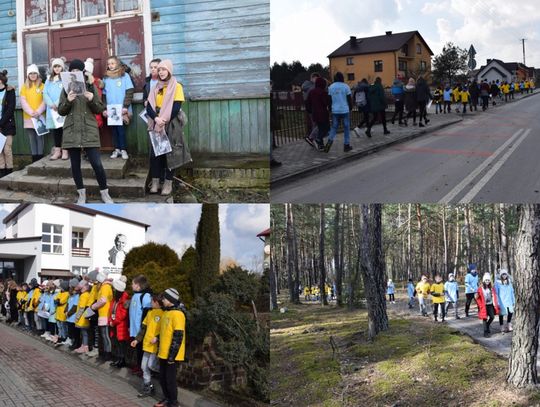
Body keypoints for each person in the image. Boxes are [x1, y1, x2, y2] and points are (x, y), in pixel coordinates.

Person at [58, 58, 113, 204]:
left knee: (97, 164)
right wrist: (68, 101)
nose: (75, 72)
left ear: (83, 72)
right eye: (73, 70)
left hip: (89, 129)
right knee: (75, 166)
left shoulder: (90, 85)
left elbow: (100, 108)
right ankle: (81, 194)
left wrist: (92, 98)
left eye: (78, 70)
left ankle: (105, 193)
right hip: (72, 130)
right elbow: (61, 111)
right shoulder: (65, 88)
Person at [146, 59, 190, 196]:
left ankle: (168, 183)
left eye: (163, 69)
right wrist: (156, 119)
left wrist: (163, 120)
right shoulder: (156, 87)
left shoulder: (177, 87)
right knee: (155, 155)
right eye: (159, 70)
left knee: (170, 154)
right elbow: (149, 107)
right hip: (157, 123)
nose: (161, 72)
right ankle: (155, 182)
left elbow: (176, 107)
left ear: (169, 70)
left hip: (170, 124)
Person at [155, 288, 186, 407]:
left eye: (164, 298)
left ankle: (173, 402)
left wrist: (172, 356)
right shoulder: (166, 312)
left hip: (171, 354)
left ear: (170, 300)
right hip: (163, 352)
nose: (162, 300)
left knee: (170, 380)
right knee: (162, 378)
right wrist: (157, 337)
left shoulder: (178, 314)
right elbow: (165, 332)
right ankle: (166, 398)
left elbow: (178, 336)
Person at [131, 294, 163, 398]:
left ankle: (163, 373)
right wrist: (136, 340)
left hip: (155, 347)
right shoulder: (149, 313)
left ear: (157, 302)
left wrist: (157, 337)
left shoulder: (164, 313)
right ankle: (147, 387)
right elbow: (143, 328)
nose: (150, 303)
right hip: (147, 345)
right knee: (143, 366)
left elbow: (165, 330)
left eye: (152, 301)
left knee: (150, 365)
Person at [103, 56, 134, 160]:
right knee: (114, 131)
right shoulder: (106, 78)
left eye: (112, 63)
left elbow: (129, 91)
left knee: (121, 130)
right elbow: (104, 95)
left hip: (121, 109)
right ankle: (116, 149)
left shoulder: (124, 76)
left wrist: (126, 106)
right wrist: (105, 108)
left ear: (117, 64)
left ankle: (123, 149)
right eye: (109, 64)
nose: (110, 65)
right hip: (111, 109)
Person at [20, 64, 46, 162]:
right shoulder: (24, 87)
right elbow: (23, 101)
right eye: (31, 73)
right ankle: (34, 158)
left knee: (40, 137)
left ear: (38, 74)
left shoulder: (43, 86)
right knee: (32, 137)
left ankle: (40, 157)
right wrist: (31, 112)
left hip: (40, 116)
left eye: (35, 73)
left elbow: (45, 100)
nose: (33, 75)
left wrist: (38, 112)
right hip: (29, 117)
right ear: (28, 75)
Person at [129, 275, 153, 376]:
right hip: (134, 328)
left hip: (141, 329)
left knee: (141, 350)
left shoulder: (145, 296)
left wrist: (143, 328)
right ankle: (138, 365)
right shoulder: (135, 295)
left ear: (138, 285)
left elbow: (147, 313)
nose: (131, 286)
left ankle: (142, 368)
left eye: (133, 284)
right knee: (137, 349)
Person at [44, 58, 68, 160]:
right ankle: (57, 150)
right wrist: (51, 104)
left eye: (59, 66)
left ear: (62, 67)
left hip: (62, 107)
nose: (57, 68)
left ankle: (65, 151)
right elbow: (45, 93)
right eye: (55, 66)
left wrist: (57, 103)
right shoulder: (49, 79)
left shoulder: (65, 78)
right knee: (56, 131)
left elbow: (66, 91)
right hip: (52, 110)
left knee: (65, 130)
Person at [324, 72, 352, 152]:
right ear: (342, 77)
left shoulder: (331, 87)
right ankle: (346, 145)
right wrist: (350, 107)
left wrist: (330, 109)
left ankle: (329, 141)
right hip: (345, 110)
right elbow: (349, 98)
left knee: (334, 127)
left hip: (335, 110)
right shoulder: (346, 86)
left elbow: (329, 99)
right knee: (346, 127)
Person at [90, 271, 114, 361]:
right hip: (103, 314)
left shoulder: (105, 287)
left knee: (105, 336)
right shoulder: (104, 287)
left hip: (105, 314)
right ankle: (105, 353)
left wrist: (93, 306)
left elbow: (103, 300)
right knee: (103, 335)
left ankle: (107, 354)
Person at [109, 276, 130, 368]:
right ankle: (118, 359)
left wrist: (114, 322)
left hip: (120, 325)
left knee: (121, 344)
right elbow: (111, 310)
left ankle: (122, 360)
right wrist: (110, 320)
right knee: (117, 344)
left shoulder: (124, 300)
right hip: (115, 324)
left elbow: (122, 314)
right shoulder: (116, 299)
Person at [305, 77, 330, 150]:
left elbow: (307, 102)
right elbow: (326, 103)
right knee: (325, 129)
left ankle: (320, 145)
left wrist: (309, 111)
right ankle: (317, 139)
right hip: (323, 113)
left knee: (319, 127)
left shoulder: (311, 92)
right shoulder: (323, 92)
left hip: (314, 113)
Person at [0, 70, 16, 176]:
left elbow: (11, 108)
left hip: (7, 124)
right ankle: (1, 172)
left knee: (7, 149)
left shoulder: (10, 91)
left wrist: (1, 122)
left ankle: (9, 173)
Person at [475, 272, 499, 338]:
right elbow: (477, 298)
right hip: (484, 306)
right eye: (486, 280)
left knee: (492, 317)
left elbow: (494, 296)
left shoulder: (491, 288)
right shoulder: (480, 288)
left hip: (490, 305)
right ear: (484, 281)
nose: (487, 281)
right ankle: (485, 332)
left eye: (488, 280)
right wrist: (480, 304)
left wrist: (495, 304)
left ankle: (487, 326)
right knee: (484, 318)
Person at [302, 72, 320, 146]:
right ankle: (311, 138)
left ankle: (314, 139)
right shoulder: (307, 84)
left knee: (315, 124)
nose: (317, 80)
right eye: (316, 79)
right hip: (311, 106)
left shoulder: (312, 85)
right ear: (312, 78)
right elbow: (307, 89)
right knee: (317, 123)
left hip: (315, 106)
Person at [74, 280, 91, 353]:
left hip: (82, 318)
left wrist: (77, 317)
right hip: (85, 316)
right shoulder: (87, 294)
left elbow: (81, 308)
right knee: (84, 333)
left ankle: (85, 346)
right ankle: (83, 345)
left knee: (84, 333)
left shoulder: (84, 295)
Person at [54, 280, 70, 346]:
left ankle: (64, 337)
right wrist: (57, 301)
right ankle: (60, 336)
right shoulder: (60, 292)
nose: (60, 288)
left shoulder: (67, 293)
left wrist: (58, 301)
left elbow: (61, 301)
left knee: (63, 326)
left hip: (63, 313)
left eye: (61, 287)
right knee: (59, 326)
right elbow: (55, 299)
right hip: (58, 312)